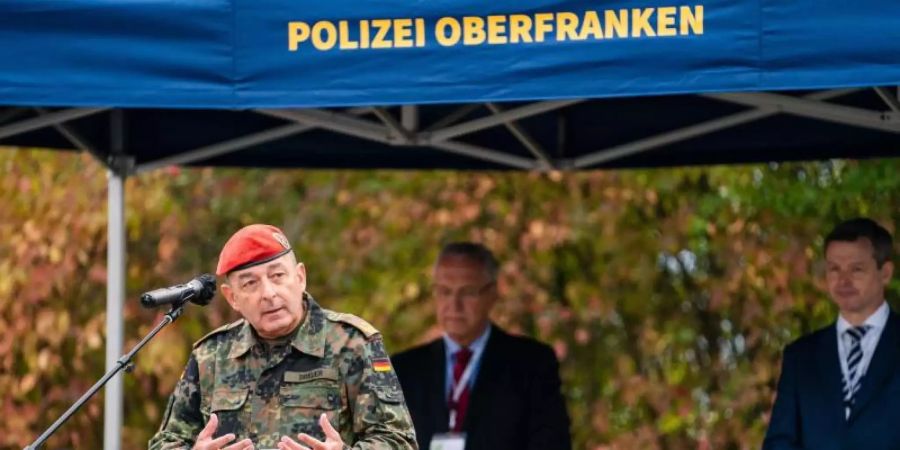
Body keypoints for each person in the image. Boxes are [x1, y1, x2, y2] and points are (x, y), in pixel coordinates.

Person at [149, 224, 418, 450]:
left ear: (300, 277)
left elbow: (399, 440)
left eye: (277, 276)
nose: (268, 293)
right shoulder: (211, 355)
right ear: (232, 298)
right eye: (250, 283)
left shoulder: (352, 343)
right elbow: (167, 441)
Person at [391, 242, 571, 450]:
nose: (454, 305)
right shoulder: (405, 370)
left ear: (492, 293)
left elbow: (552, 443)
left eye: (467, 292)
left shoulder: (531, 364)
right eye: (444, 292)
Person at [764, 218, 897, 450]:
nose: (843, 280)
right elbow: (779, 443)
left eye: (856, 269)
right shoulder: (799, 357)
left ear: (885, 273)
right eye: (834, 269)